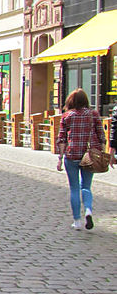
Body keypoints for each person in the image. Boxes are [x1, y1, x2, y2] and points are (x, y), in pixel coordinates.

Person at [55, 88, 106, 230]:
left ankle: (77, 221)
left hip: (72, 155)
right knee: (86, 187)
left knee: (74, 188)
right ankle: (88, 210)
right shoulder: (93, 114)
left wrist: (60, 158)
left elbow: (61, 139)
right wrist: (102, 152)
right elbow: (101, 135)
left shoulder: (67, 116)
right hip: (89, 155)